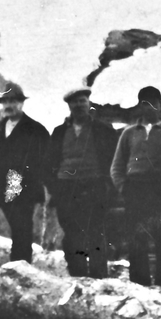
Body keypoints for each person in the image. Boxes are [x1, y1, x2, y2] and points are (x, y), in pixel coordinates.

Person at [110, 86, 161, 287]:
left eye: (153, 103)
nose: (149, 107)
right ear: (140, 106)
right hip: (135, 190)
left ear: (160, 105)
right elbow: (117, 166)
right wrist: (124, 188)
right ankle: (139, 284)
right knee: (137, 238)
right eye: (145, 103)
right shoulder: (129, 133)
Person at [48, 86, 120, 278]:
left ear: (89, 103)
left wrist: (109, 187)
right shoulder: (59, 132)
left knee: (96, 233)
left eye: (82, 101)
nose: (79, 105)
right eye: (75, 102)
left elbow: (115, 160)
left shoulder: (103, 130)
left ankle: (98, 279)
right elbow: (49, 163)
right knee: (72, 235)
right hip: (66, 189)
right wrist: (55, 189)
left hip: (94, 187)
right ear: (69, 106)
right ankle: (78, 277)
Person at [0, 81, 51, 262]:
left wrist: (21, 182)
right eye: (5, 102)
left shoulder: (35, 130)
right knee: (4, 228)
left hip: (23, 189)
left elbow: (42, 162)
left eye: (13, 101)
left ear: (21, 103)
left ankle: (21, 268)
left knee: (22, 230)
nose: (9, 105)